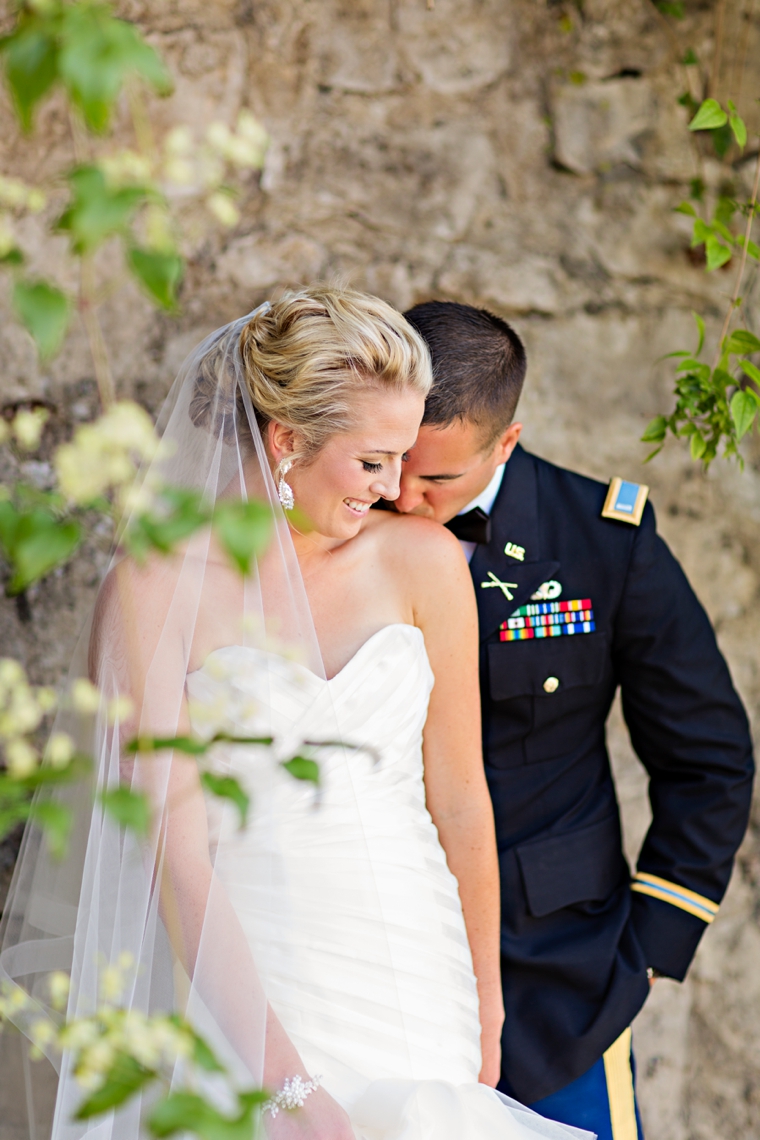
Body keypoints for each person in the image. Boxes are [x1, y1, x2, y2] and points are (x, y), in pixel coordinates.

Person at [0, 287, 589, 1140]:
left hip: (421, 979)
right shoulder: (153, 592)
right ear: (286, 442)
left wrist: (488, 1006)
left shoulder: (422, 563)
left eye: (405, 459)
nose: (396, 489)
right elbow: (179, 855)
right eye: (372, 461)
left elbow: (460, 798)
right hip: (257, 979)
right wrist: (282, 1085)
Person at [392, 299, 755, 1140]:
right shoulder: (344, 516)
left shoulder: (604, 540)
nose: (402, 497)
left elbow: (710, 758)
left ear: (505, 443)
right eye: (395, 462)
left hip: (557, 969)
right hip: (381, 941)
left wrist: (655, 945)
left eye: (436, 480)